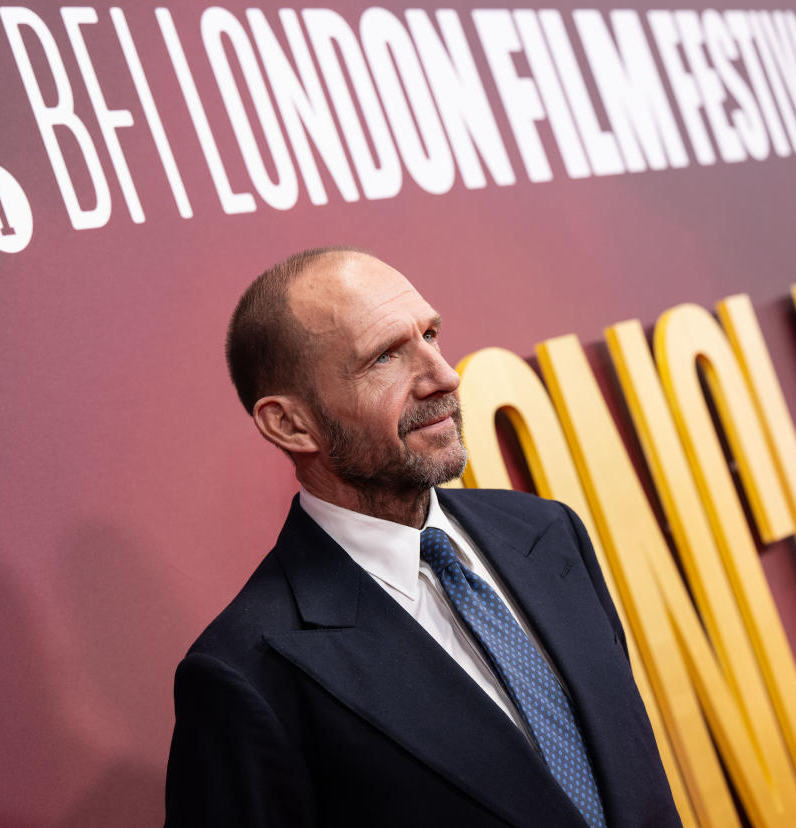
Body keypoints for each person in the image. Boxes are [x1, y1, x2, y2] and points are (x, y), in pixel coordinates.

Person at [164, 247, 680, 827]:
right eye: (384, 357)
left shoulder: (547, 533)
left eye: (430, 335)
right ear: (290, 423)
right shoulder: (247, 673)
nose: (443, 376)